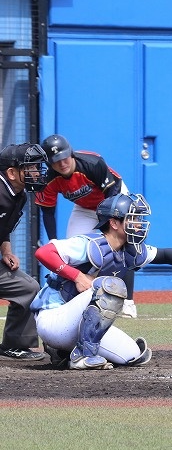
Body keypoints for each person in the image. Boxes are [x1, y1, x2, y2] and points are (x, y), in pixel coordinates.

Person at [31, 193, 172, 370]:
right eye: (133, 219)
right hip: (53, 319)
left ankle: (62, 352)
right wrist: (77, 276)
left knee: (132, 354)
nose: (139, 224)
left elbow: (163, 254)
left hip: (76, 324)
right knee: (111, 287)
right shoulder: (90, 244)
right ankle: (82, 356)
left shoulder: (129, 250)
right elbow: (43, 253)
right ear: (114, 223)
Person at [36, 134, 139, 318]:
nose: (62, 163)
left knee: (122, 243)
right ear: (49, 163)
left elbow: (113, 194)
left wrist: (108, 227)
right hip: (85, 207)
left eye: (64, 157)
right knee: (74, 251)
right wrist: (52, 239)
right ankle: (77, 299)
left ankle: (128, 302)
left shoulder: (92, 163)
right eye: (56, 161)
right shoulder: (49, 179)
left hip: (114, 199)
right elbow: (48, 211)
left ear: (71, 153)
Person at [0, 143, 48, 361]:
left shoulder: (19, 196)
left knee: (28, 288)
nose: (37, 172)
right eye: (31, 167)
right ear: (12, 173)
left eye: (37, 167)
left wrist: (6, 252)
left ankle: (15, 344)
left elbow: (4, 229)